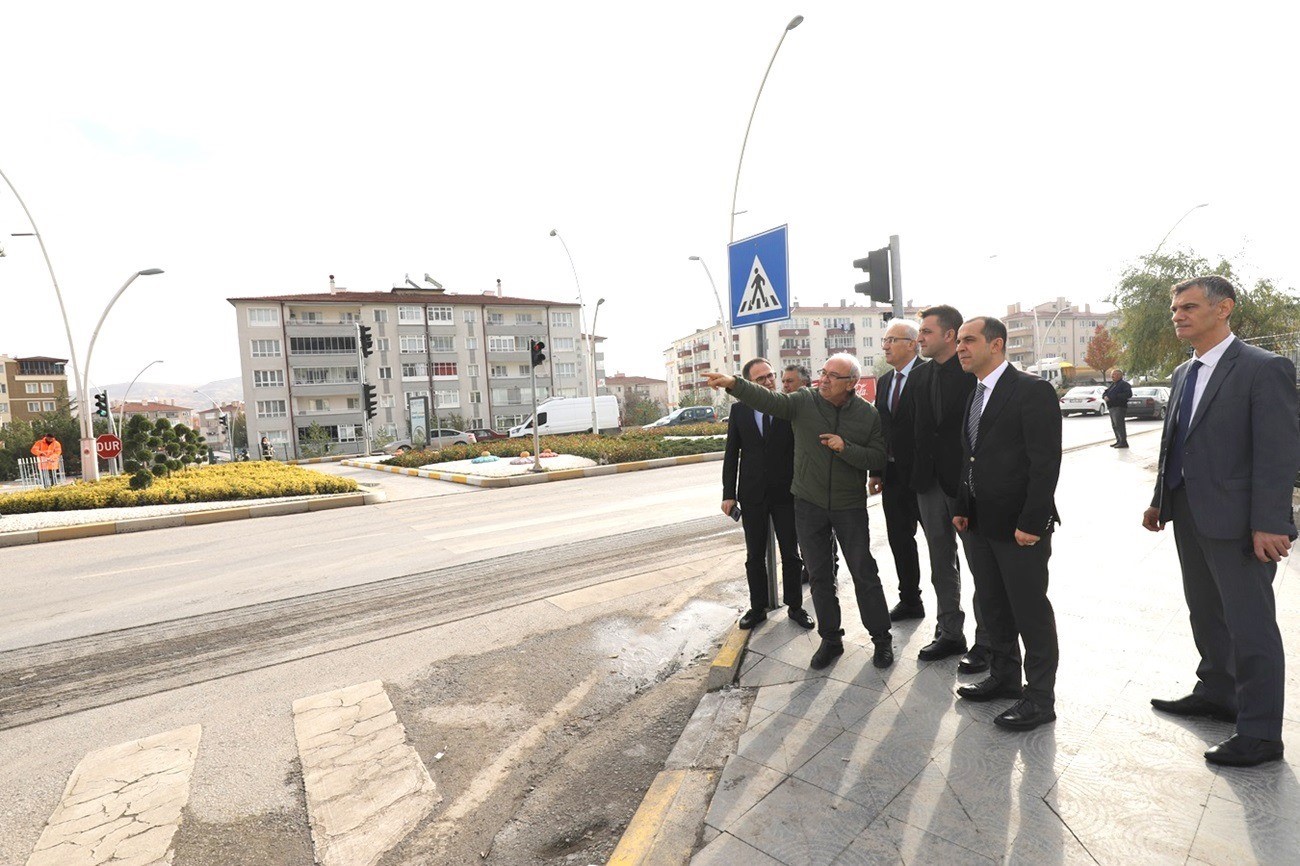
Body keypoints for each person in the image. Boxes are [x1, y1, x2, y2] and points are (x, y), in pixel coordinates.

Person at [1143, 275, 1299, 767]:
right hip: (1189, 511)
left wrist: (1271, 522)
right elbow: (1175, 442)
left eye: (1188, 307)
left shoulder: (1263, 368)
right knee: (1204, 611)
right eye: (1174, 310)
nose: (1177, 316)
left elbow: (1277, 453)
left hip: (1241, 521)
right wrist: (1160, 500)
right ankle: (1217, 692)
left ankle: (1259, 734)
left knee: (1250, 626)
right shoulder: (1182, 372)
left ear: (1224, 308)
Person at [705, 353, 894, 670]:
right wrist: (735, 384)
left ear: (851, 384)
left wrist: (845, 448)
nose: (825, 380)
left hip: (849, 505)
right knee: (819, 577)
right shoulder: (804, 401)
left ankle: (881, 639)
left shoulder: (867, 415)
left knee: (864, 573)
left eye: (834, 376)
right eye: (824, 373)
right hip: (808, 503)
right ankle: (831, 640)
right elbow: (768, 400)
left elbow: (876, 456)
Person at [952, 316, 1062, 732]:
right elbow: (971, 456)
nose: (961, 347)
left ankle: (1039, 697)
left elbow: (1045, 461)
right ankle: (1003, 677)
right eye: (959, 341)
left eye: (969, 340)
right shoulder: (975, 392)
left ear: (996, 345)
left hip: (1020, 527)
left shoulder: (1032, 390)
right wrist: (963, 506)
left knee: (1029, 610)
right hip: (980, 522)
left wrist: (1033, 521)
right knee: (993, 604)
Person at [910, 305, 990, 671]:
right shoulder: (918, 376)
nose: (920, 338)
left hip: (967, 486)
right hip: (928, 485)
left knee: (980, 564)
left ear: (948, 335)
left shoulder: (973, 373)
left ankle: (988, 642)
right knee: (941, 562)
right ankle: (949, 632)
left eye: (926, 331)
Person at [721, 358, 814, 630]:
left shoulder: (788, 406)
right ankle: (757, 607)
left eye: (770, 376)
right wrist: (729, 494)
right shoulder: (739, 412)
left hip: (787, 492)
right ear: (749, 382)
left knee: (792, 554)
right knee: (755, 556)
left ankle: (796, 607)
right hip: (752, 493)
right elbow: (731, 456)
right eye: (761, 379)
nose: (769, 382)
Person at [868, 320, 929, 641]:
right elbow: (881, 430)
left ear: (912, 343)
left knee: (940, 545)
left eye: (892, 340)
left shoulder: (929, 374)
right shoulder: (885, 380)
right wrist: (876, 472)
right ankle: (910, 599)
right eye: (884, 340)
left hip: (925, 478)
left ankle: (951, 611)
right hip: (892, 478)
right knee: (899, 540)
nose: (886, 346)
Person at [783, 364, 836, 584]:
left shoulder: (817, 407)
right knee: (802, 529)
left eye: (790, 381)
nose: (785, 386)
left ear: (804, 384)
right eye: (783, 381)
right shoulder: (783, 407)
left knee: (823, 530)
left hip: (815, 484)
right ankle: (810, 564)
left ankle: (830, 564)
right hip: (791, 480)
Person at [1103, 368, 1132, 448]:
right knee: (1115, 425)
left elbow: (1128, 394)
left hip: (1119, 407)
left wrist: (1112, 397)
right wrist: (1105, 396)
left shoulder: (1124, 384)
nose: (1112, 376)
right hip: (1112, 407)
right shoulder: (1113, 384)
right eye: (1112, 374)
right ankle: (1118, 440)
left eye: (1114, 374)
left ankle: (1123, 442)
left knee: (1119, 425)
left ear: (1120, 375)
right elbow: (1105, 392)